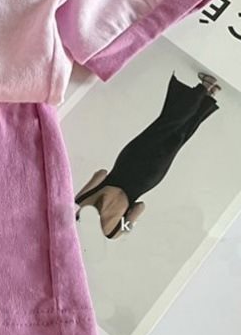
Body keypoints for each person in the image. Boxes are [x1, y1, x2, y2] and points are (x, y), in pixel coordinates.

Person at [74, 71, 221, 239]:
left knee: (178, 140)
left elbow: (140, 207)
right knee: (164, 125)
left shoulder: (114, 234)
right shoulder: (79, 204)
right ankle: (203, 88)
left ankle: (208, 96)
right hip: (128, 163)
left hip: (148, 178)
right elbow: (101, 174)